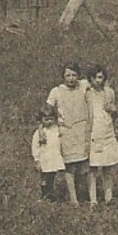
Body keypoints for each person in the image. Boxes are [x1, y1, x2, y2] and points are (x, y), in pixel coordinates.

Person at [44, 62, 91, 205]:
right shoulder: (56, 91)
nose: (71, 78)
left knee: (85, 166)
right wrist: (42, 129)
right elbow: (46, 111)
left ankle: (87, 195)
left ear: (79, 75)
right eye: (68, 75)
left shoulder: (83, 86)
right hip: (66, 132)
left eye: (74, 75)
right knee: (70, 167)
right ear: (63, 76)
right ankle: (73, 199)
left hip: (82, 130)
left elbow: (100, 82)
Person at [85, 65, 118, 206]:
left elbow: (114, 113)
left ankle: (108, 197)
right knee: (92, 168)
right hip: (93, 132)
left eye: (100, 77)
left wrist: (114, 111)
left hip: (107, 132)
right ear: (90, 79)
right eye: (94, 77)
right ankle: (93, 200)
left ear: (104, 78)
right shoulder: (87, 93)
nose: (97, 81)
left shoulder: (109, 93)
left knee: (108, 167)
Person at [31, 108, 69, 202]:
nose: (49, 121)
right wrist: (36, 159)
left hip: (55, 158)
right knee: (45, 178)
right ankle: (45, 195)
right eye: (46, 119)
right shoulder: (39, 133)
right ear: (41, 120)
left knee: (55, 177)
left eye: (51, 119)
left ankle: (55, 195)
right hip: (45, 159)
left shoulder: (56, 130)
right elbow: (35, 146)